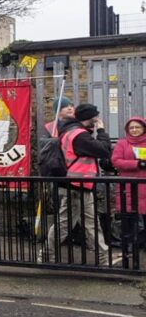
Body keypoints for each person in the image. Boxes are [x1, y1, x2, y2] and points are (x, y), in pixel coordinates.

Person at [41, 103, 114, 264]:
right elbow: (104, 150)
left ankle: (102, 257)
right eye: (95, 116)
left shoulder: (71, 131)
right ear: (90, 117)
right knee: (70, 223)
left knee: (84, 223)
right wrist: (101, 131)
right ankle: (47, 254)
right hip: (77, 185)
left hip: (76, 184)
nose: (97, 119)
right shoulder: (79, 135)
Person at [110, 116, 146, 258]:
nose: (134, 130)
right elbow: (116, 161)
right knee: (129, 220)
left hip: (144, 185)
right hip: (129, 187)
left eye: (137, 127)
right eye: (131, 128)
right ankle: (129, 248)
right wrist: (136, 164)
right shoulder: (122, 143)